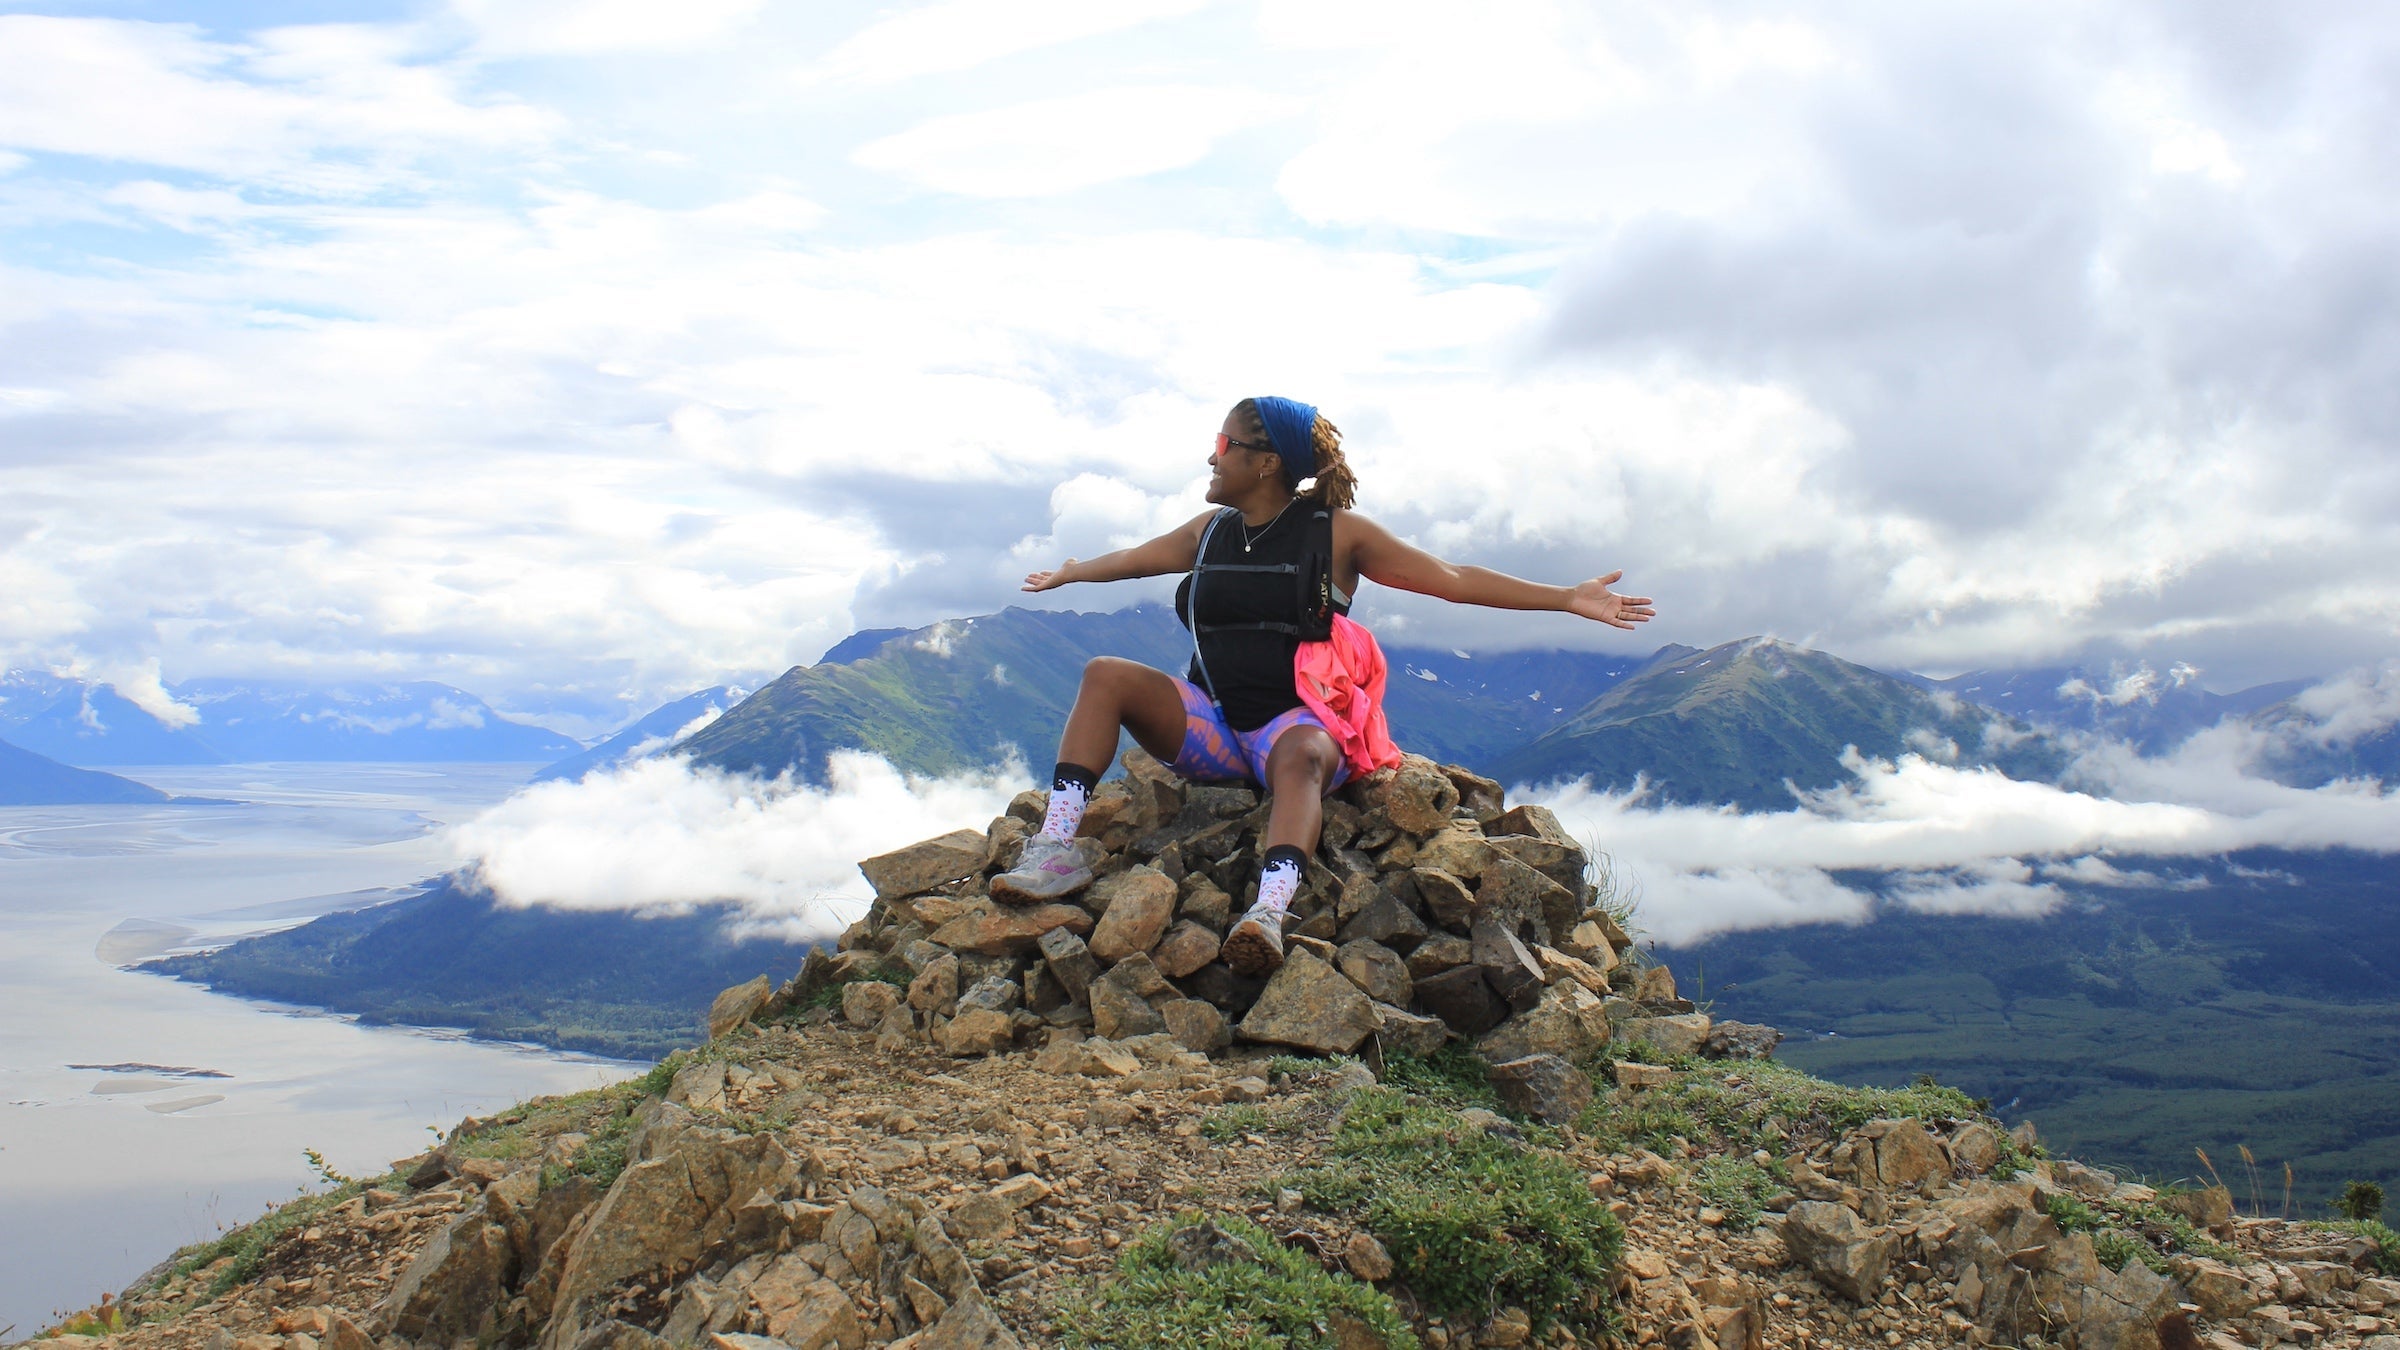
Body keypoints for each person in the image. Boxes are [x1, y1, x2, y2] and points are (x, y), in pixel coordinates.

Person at [993, 396, 1655, 976]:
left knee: (1305, 754)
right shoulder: (1211, 532)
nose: (1211, 457)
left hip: (1295, 730)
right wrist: (1074, 573)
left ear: (1266, 462)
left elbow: (1451, 578)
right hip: (1217, 726)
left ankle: (1268, 913)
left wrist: (1566, 597)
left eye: (1223, 445)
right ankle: (1056, 848)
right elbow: (1140, 558)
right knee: (1104, 675)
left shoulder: (1337, 534)